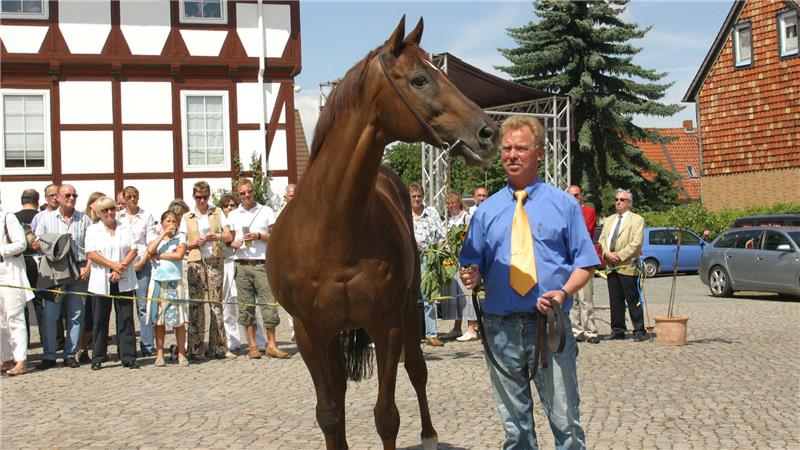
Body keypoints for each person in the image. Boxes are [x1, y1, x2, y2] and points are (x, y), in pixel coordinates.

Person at [459, 115, 599, 449]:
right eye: (506, 148)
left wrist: (564, 291)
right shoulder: (486, 211)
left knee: (566, 422)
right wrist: (472, 275)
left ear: (539, 153)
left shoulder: (564, 205)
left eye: (520, 148)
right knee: (516, 429)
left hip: (549, 326)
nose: (511, 155)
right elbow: (472, 263)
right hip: (500, 328)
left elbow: (586, 264)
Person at [33, 184, 92, 369]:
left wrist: (88, 267)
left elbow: (92, 246)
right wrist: (56, 241)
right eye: (68, 194)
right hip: (54, 271)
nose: (72, 198)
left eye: (75, 195)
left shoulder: (84, 219)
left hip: (79, 269)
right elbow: (35, 244)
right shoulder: (46, 219)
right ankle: (49, 355)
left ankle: (70, 354)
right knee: (51, 315)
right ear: (57, 197)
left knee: (76, 315)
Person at [227, 178, 288, 359]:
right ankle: (252, 346)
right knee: (246, 306)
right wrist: (233, 242)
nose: (246, 196)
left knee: (268, 304)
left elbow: (276, 236)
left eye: (249, 192)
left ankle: (271, 345)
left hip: (262, 264)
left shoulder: (266, 210)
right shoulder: (233, 214)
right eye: (242, 193)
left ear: (254, 191)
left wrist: (260, 235)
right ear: (238, 195)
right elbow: (228, 240)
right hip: (242, 264)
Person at [180, 181, 233, 360]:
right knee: (196, 305)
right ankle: (195, 347)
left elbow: (228, 235)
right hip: (195, 261)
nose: (202, 200)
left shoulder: (217, 212)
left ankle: (217, 346)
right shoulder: (187, 216)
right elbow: (181, 244)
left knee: (216, 304)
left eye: (205, 197)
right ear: (194, 197)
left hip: (214, 259)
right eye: (198, 197)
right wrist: (193, 243)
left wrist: (215, 236)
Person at [85, 196, 139, 370]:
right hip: (102, 279)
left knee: (126, 318)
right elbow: (92, 254)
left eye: (112, 209)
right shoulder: (93, 230)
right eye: (106, 210)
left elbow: (133, 250)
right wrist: (112, 266)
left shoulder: (126, 227)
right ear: (99, 213)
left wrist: (120, 269)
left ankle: (128, 356)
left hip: (124, 278)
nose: (110, 213)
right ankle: (98, 356)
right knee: (100, 319)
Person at [218, 194, 267, 352]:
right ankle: (233, 340)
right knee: (228, 306)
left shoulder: (239, 219)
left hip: (242, 264)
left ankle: (258, 341)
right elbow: (221, 245)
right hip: (225, 264)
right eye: (226, 206)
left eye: (232, 205)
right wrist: (230, 243)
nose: (229, 208)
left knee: (249, 305)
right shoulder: (221, 224)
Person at [598, 188, 646, 341]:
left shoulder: (637, 220)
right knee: (615, 299)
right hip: (611, 266)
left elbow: (636, 243)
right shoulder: (609, 220)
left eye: (622, 200)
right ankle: (618, 330)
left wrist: (619, 256)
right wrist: (606, 253)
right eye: (616, 199)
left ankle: (639, 329)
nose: (618, 202)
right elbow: (602, 239)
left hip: (626, 266)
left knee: (632, 299)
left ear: (629, 203)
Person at [145, 211, 189, 367]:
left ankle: (181, 353)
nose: (171, 224)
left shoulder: (181, 237)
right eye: (168, 221)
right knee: (159, 321)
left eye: (174, 221)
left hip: (174, 282)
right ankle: (159, 354)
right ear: (162, 222)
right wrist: (163, 235)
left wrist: (159, 256)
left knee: (179, 320)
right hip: (158, 281)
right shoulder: (156, 237)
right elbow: (150, 251)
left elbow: (179, 255)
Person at [118, 186, 157, 357]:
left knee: (143, 306)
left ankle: (147, 345)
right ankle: (125, 346)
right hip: (124, 265)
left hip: (142, 264)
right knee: (124, 307)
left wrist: (142, 261)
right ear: (124, 198)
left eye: (135, 196)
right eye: (129, 197)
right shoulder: (118, 217)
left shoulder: (146, 216)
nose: (132, 199)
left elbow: (150, 242)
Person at [439, 192, 480, 342]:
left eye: (453, 203)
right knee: (456, 295)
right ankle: (457, 327)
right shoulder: (449, 220)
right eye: (448, 204)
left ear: (459, 203)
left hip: (464, 259)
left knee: (466, 293)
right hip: (452, 260)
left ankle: (471, 328)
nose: (451, 206)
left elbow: (470, 236)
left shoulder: (465, 217)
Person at [1, 198, 34, 376]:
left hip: (10, 274)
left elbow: (21, 243)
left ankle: (20, 359)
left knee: (14, 318)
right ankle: (6, 358)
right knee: (0, 322)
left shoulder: (8, 217)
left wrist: (1, 250)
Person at [409, 183, 445, 347]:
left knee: (429, 297)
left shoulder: (431, 212)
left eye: (419, 196)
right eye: (413, 196)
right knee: (410, 297)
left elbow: (441, 233)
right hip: (410, 258)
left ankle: (432, 334)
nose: (417, 199)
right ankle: (413, 333)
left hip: (428, 258)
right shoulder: (404, 213)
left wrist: (440, 246)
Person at [566, 185, 600, 344]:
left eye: (576, 195)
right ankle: (576, 330)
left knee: (586, 297)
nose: (574, 198)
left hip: (584, 259)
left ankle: (590, 331)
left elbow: (585, 231)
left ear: (581, 197)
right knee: (572, 298)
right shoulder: (562, 211)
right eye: (571, 195)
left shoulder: (588, 211)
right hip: (568, 260)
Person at [74, 191, 106, 364]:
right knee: (83, 312)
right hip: (85, 269)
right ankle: (81, 347)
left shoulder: (105, 223)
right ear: (91, 204)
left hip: (99, 271)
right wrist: (86, 267)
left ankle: (91, 347)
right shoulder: (85, 221)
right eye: (98, 202)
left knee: (95, 313)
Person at [14, 189, 42, 342]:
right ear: (37, 202)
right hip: (36, 261)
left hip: (19, 261)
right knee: (39, 301)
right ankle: (47, 340)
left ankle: (24, 341)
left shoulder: (13, 218)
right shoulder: (40, 217)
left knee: (21, 303)